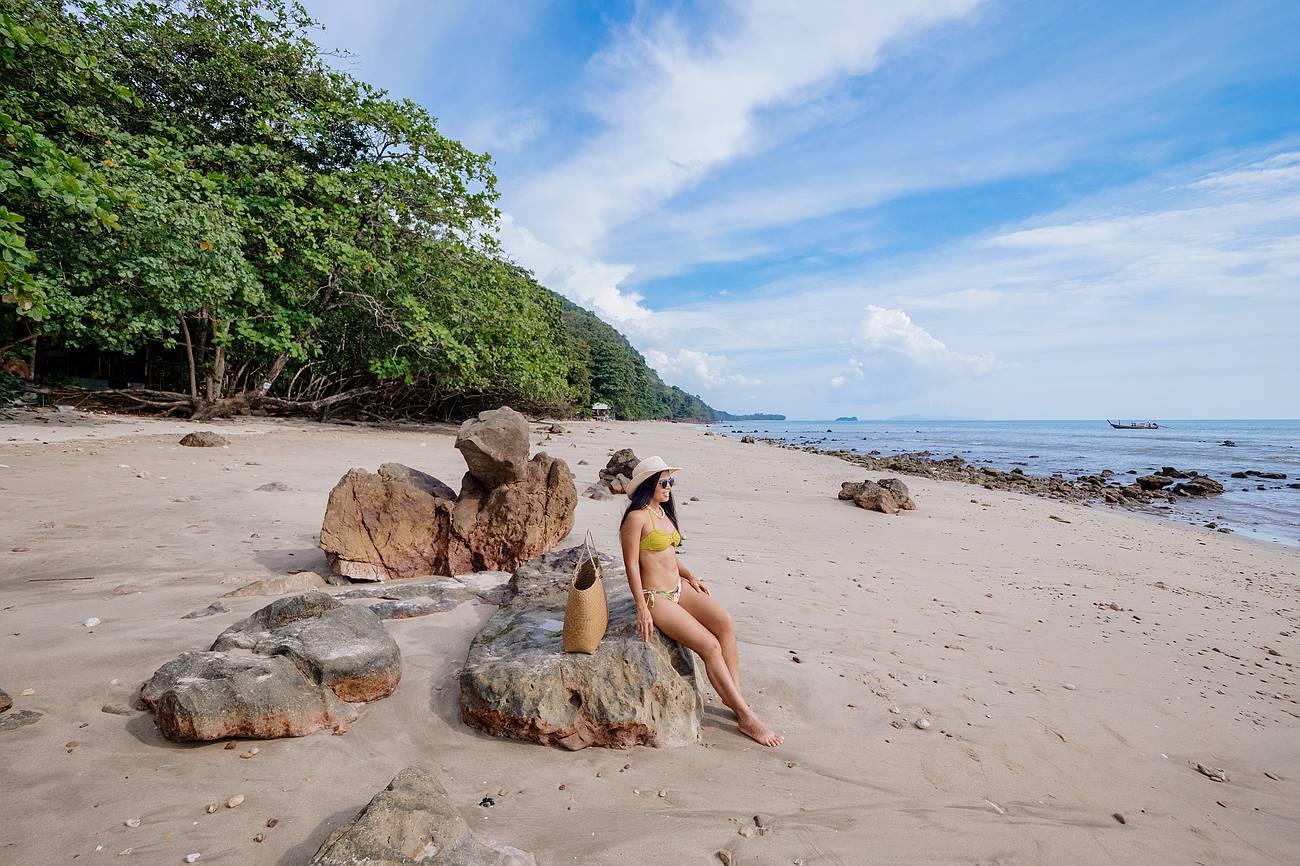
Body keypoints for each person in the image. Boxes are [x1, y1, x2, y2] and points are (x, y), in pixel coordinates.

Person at [618, 456, 783, 747]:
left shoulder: (662, 512)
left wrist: (691, 576)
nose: (669, 487)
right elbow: (631, 565)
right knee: (710, 646)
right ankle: (746, 717)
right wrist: (641, 608)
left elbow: (668, 555)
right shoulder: (636, 518)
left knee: (724, 622)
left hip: (679, 589)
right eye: (664, 482)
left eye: (671, 481)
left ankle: (734, 696)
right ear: (648, 485)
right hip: (657, 598)